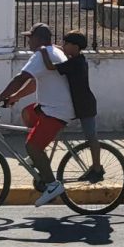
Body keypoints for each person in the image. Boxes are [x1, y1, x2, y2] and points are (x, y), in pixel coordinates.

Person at [0, 23, 74, 207]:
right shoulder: (52, 51)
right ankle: (37, 159)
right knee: (27, 113)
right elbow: (35, 82)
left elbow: (20, 78)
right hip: (52, 107)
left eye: (30, 37)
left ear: (39, 39)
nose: (28, 41)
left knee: (31, 146)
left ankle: (52, 185)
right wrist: (15, 97)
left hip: (56, 111)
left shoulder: (40, 55)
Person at [38, 29, 103, 182]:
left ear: (75, 46)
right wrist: (56, 48)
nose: (63, 46)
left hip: (85, 106)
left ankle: (97, 169)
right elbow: (65, 54)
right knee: (55, 128)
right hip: (76, 104)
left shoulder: (75, 63)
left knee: (91, 137)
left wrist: (44, 52)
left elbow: (50, 67)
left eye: (66, 44)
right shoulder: (78, 59)